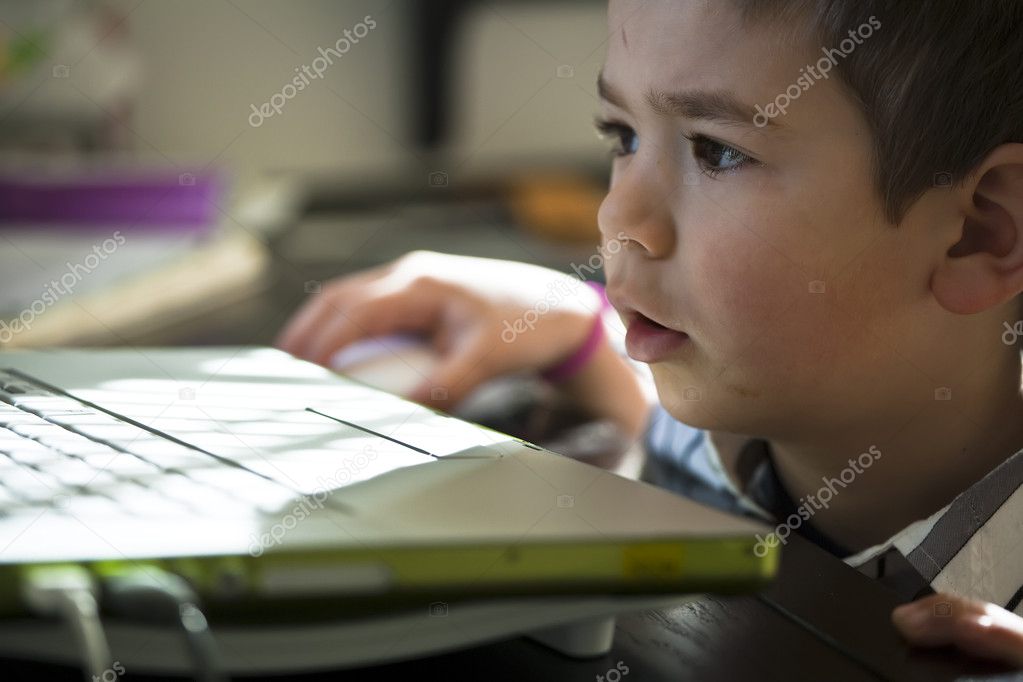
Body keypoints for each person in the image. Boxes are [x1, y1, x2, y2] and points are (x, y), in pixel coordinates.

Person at [278, 0, 1023, 668]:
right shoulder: (731, 419)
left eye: (717, 151)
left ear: (980, 234)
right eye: (623, 135)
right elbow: (667, 435)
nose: (616, 218)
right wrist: (576, 330)